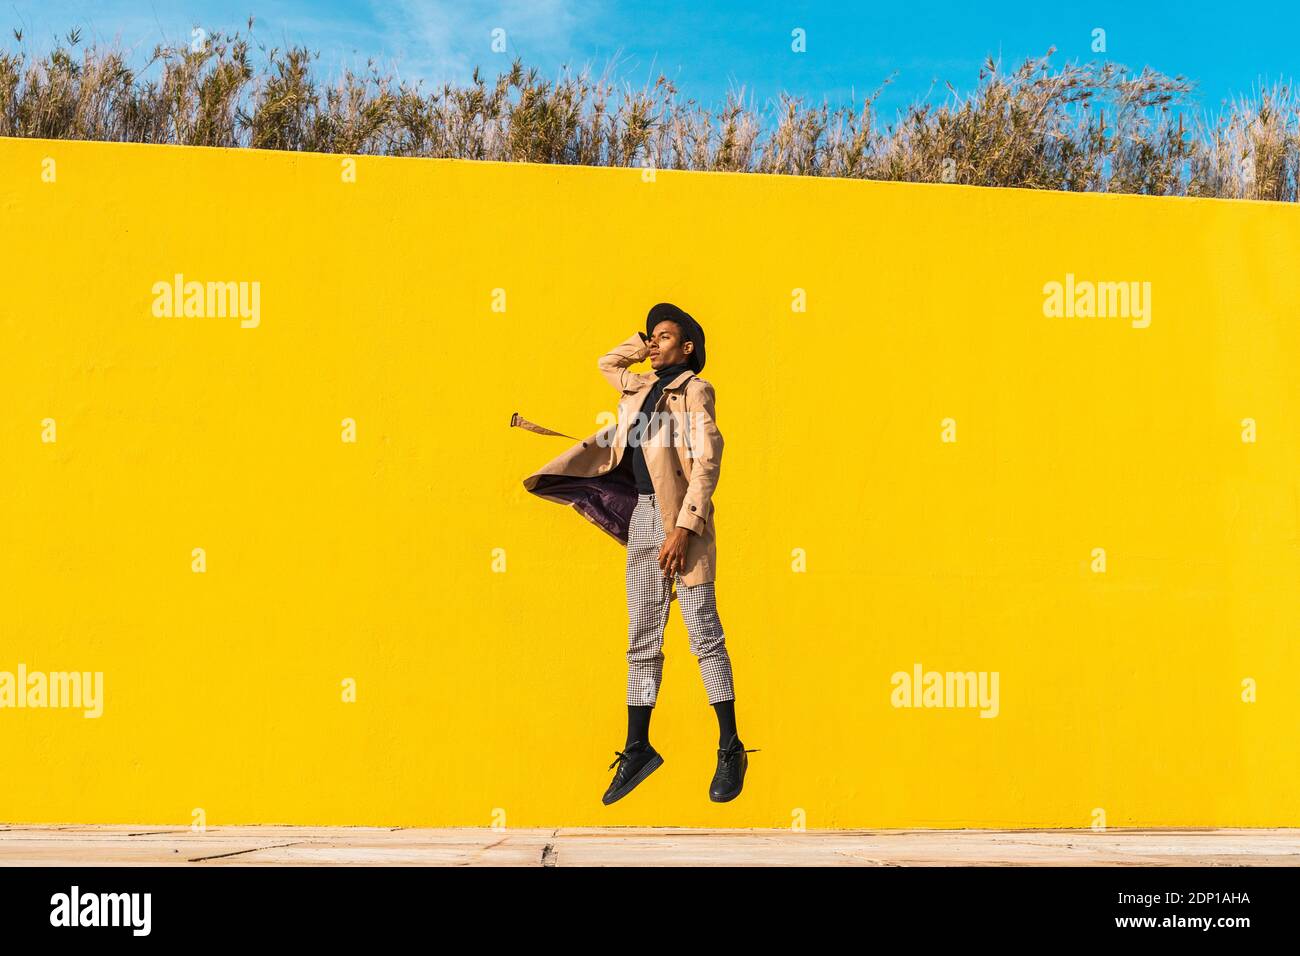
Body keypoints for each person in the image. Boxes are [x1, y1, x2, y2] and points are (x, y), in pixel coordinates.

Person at [517, 302, 757, 804]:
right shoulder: (641, 386)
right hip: (644, 517)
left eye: (664, 337)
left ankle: (730, 747)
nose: (653, 344)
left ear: (687, 347)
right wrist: (640, 339)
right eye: (651, 337)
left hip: (682, 524)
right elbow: (608, 363)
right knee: (641, 638)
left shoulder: (695, 391)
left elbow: (708, 462)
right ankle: (638, 746)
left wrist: (686, 528)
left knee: (704, 633)